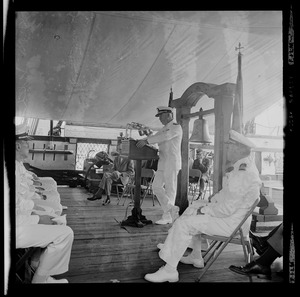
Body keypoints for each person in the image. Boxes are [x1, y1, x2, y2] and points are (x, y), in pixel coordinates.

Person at [143, 130, 262, 282]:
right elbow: (227, 195)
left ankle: (170, 270)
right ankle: (196, 256)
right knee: (194, 207)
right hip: (233, 218)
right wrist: (209, 202)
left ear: (239, 149)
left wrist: (205, 209)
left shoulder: (243, 173)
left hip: (232, 224)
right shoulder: (243, 167)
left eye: (229, 147)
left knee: (185, 223)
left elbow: (226, 209)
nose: (227, 150)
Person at [15, 124, 74, 283]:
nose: (29, 146)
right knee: (65, 233)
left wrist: (35, 213)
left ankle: (37, 263)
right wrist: (37, 218)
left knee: (57, 220)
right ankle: (40, 279)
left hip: (19, 219)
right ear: (18, 145)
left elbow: (18, 203)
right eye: (26, 143)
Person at [136, 106, 183, 225]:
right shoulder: (163, 129)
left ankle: (167, 216)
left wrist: (147, 141)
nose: (160, 119)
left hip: (172, 162)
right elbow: (154, 137)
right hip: (163, 162)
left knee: (170, 190)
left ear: (169, 115)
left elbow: (165, 137)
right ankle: (171, 210)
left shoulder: (176, 127)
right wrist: (140, 140)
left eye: (161, 116)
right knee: (156, 187)